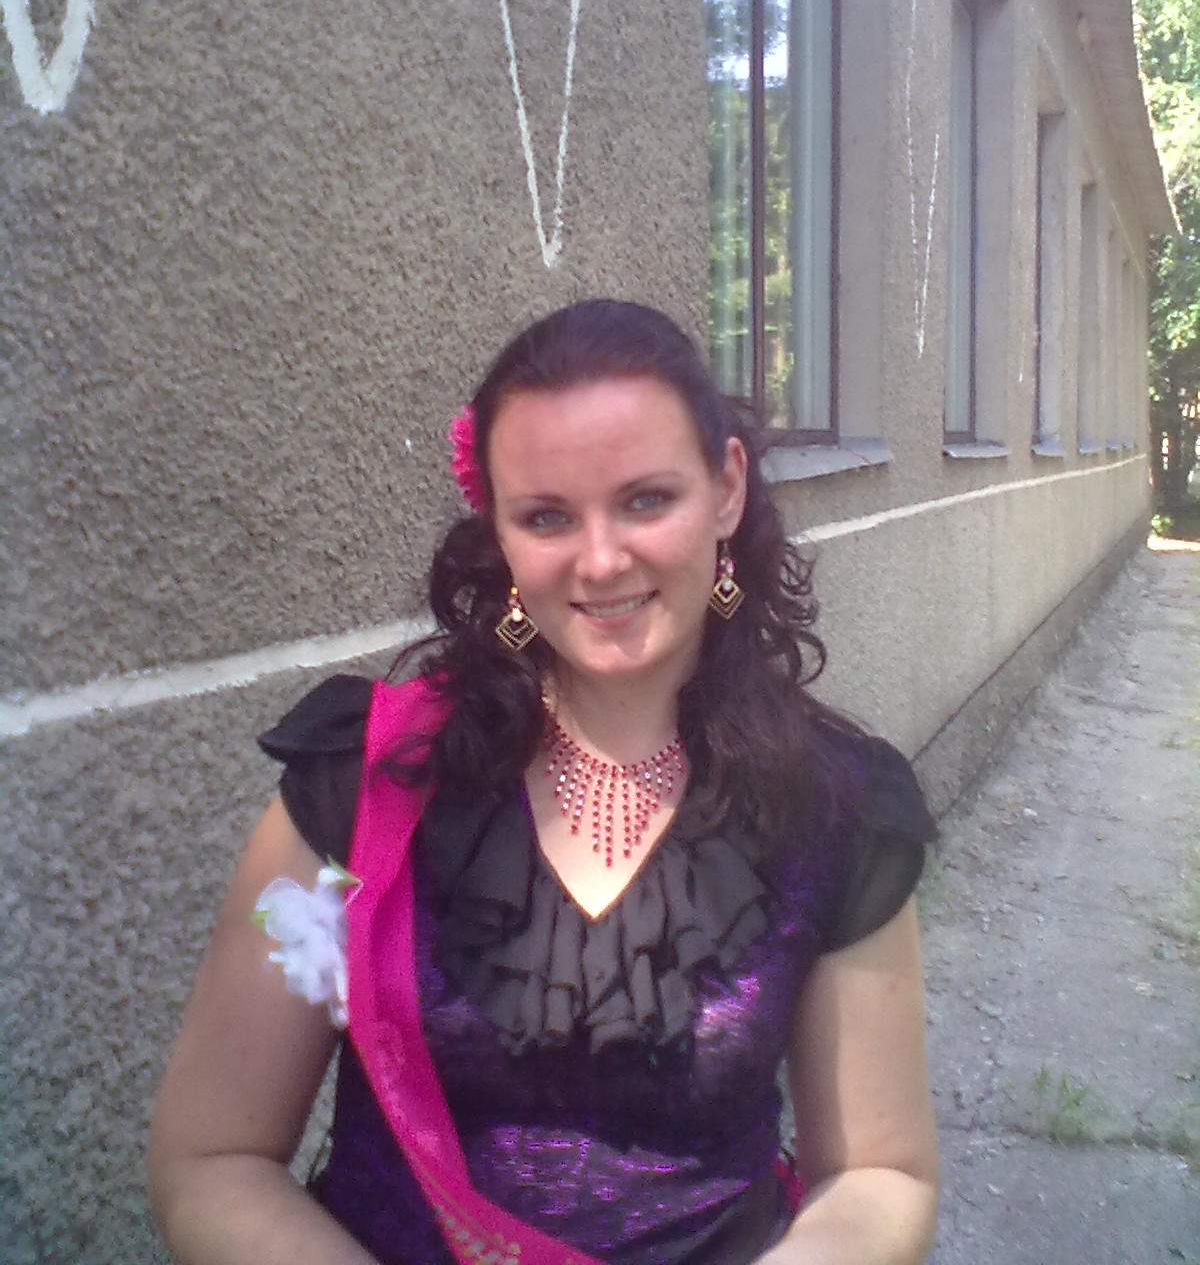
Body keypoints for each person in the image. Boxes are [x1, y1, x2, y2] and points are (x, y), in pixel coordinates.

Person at [148, 298, 938, 1265]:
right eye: (547, 517)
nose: (601, 561)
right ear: (499, 530)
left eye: (646, 500)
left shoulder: (840, 809)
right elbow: (215, 1159)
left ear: (727, 489)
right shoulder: (364, 786)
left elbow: (878, 1175)